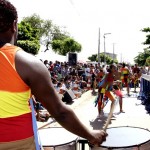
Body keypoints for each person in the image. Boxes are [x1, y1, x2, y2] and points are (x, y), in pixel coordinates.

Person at [0, 0, 107, 149]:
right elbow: (59, 112)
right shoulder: (28, 64)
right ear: (14, 25)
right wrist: (90, 135)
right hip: (17, 143)